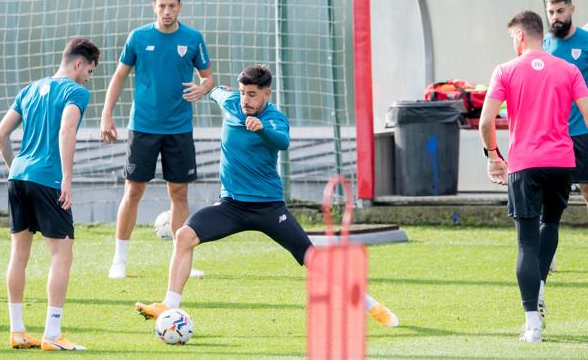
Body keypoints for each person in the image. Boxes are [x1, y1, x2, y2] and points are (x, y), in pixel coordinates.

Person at [134, 64, 399, 328]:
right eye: (242, 92)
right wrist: (207, 88)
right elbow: (216, 91)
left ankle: (371, 305)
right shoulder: (231, 102)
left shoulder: (274, 118)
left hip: (268, 208)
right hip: (232, 206)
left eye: (252, 94)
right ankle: (169, 306)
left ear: (267, 94)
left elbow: (282, 142)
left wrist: (261, 128)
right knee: (184, 235)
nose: (245, 100)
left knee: (312, 259)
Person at [479, 11, 588, 343]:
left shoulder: (505, 71)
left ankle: (533, 325)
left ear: (520, 36)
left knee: (526, 241)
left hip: (524, 164)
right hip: (561, 162)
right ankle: (538, 287)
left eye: (513, 37)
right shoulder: (568, 70)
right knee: (550, 224)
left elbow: (486, 123)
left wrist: (493, 157)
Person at [100, 0, 214, 279]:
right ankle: (119, 260)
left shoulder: (193, 38)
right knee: (133, 190)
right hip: (143, 127)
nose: (166, 11)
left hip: (179, 128)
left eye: (172, 6)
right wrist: (106, 115)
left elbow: (208, 78)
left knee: (178, 192)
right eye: (161, 6)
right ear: (154, 6)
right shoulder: (138, 37)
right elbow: (119, 76)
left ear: (180, 7)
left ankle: (180, 260)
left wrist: (202, 89)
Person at [0, 38, 100, 350]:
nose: (88, 78)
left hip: (19, 178)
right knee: (62, 254)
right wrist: (66, 177)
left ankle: (17, 331)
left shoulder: (29, 89)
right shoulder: (76, 92)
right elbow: (67, 130)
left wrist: (16, 169)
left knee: (19, 254)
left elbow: (0, 135)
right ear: (78, 64)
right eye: (89, 71)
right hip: (48, 180)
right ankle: (52, 334)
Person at [542, 0, 588, 274]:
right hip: (553, 134)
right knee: (549, 194)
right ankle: (548, 254)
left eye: (560, 11)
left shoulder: (586, 42)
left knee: (587, 189)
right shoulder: (544, 44)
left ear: (571, 9)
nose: (555, 17)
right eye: (551, 12)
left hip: (582, 131)